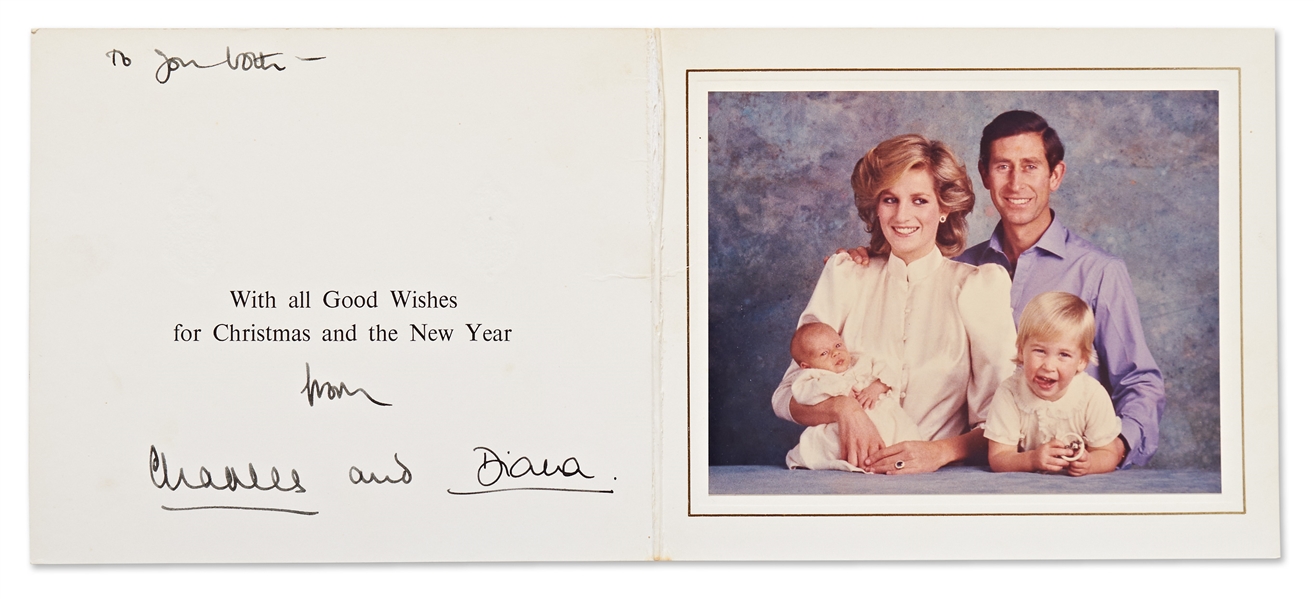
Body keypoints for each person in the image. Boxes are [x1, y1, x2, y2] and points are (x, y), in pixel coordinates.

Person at [843, 111, 1165, 468]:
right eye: (1002, 167)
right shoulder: (960, 269)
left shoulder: (1099, 272)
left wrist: (1115, 449)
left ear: (1055, 175)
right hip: (975, 471)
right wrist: (866, 262)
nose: (1015, 184)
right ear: (984, 174)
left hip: (1068, 472)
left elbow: (1139, 380)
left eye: (1030, 166)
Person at [772, 134, 1017, 474]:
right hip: (843, 482)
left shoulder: (978, 287)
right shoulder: (846, 275)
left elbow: (1006, 418)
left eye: (919, 200)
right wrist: (845, 409)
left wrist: (940, 453)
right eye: (890, 199)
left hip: (938, 486)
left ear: (944, 208)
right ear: (875, 206)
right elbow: (786, 397)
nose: (902, 215)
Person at [985, 291, 1122, 476]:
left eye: (1064, 355)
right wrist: (1031, 459)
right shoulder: (1009, 393)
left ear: (1081, 361)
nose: (1049, 366)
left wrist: (1091, 464)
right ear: (1021, 351)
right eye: (1039, 351)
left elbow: (1109, 453)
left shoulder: (1092, 396)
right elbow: (999, 457)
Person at [784, 321, 923, 472]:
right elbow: (803, 394)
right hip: (844, 427)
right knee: (828, 444)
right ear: (807, 366)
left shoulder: (860, 361)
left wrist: (875, 388)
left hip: (885, 415)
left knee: (904, 433)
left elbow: (889, 375)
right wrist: (839, 392)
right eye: (824, 353)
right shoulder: (814, 377)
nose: (835, 353)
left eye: (838, 345)